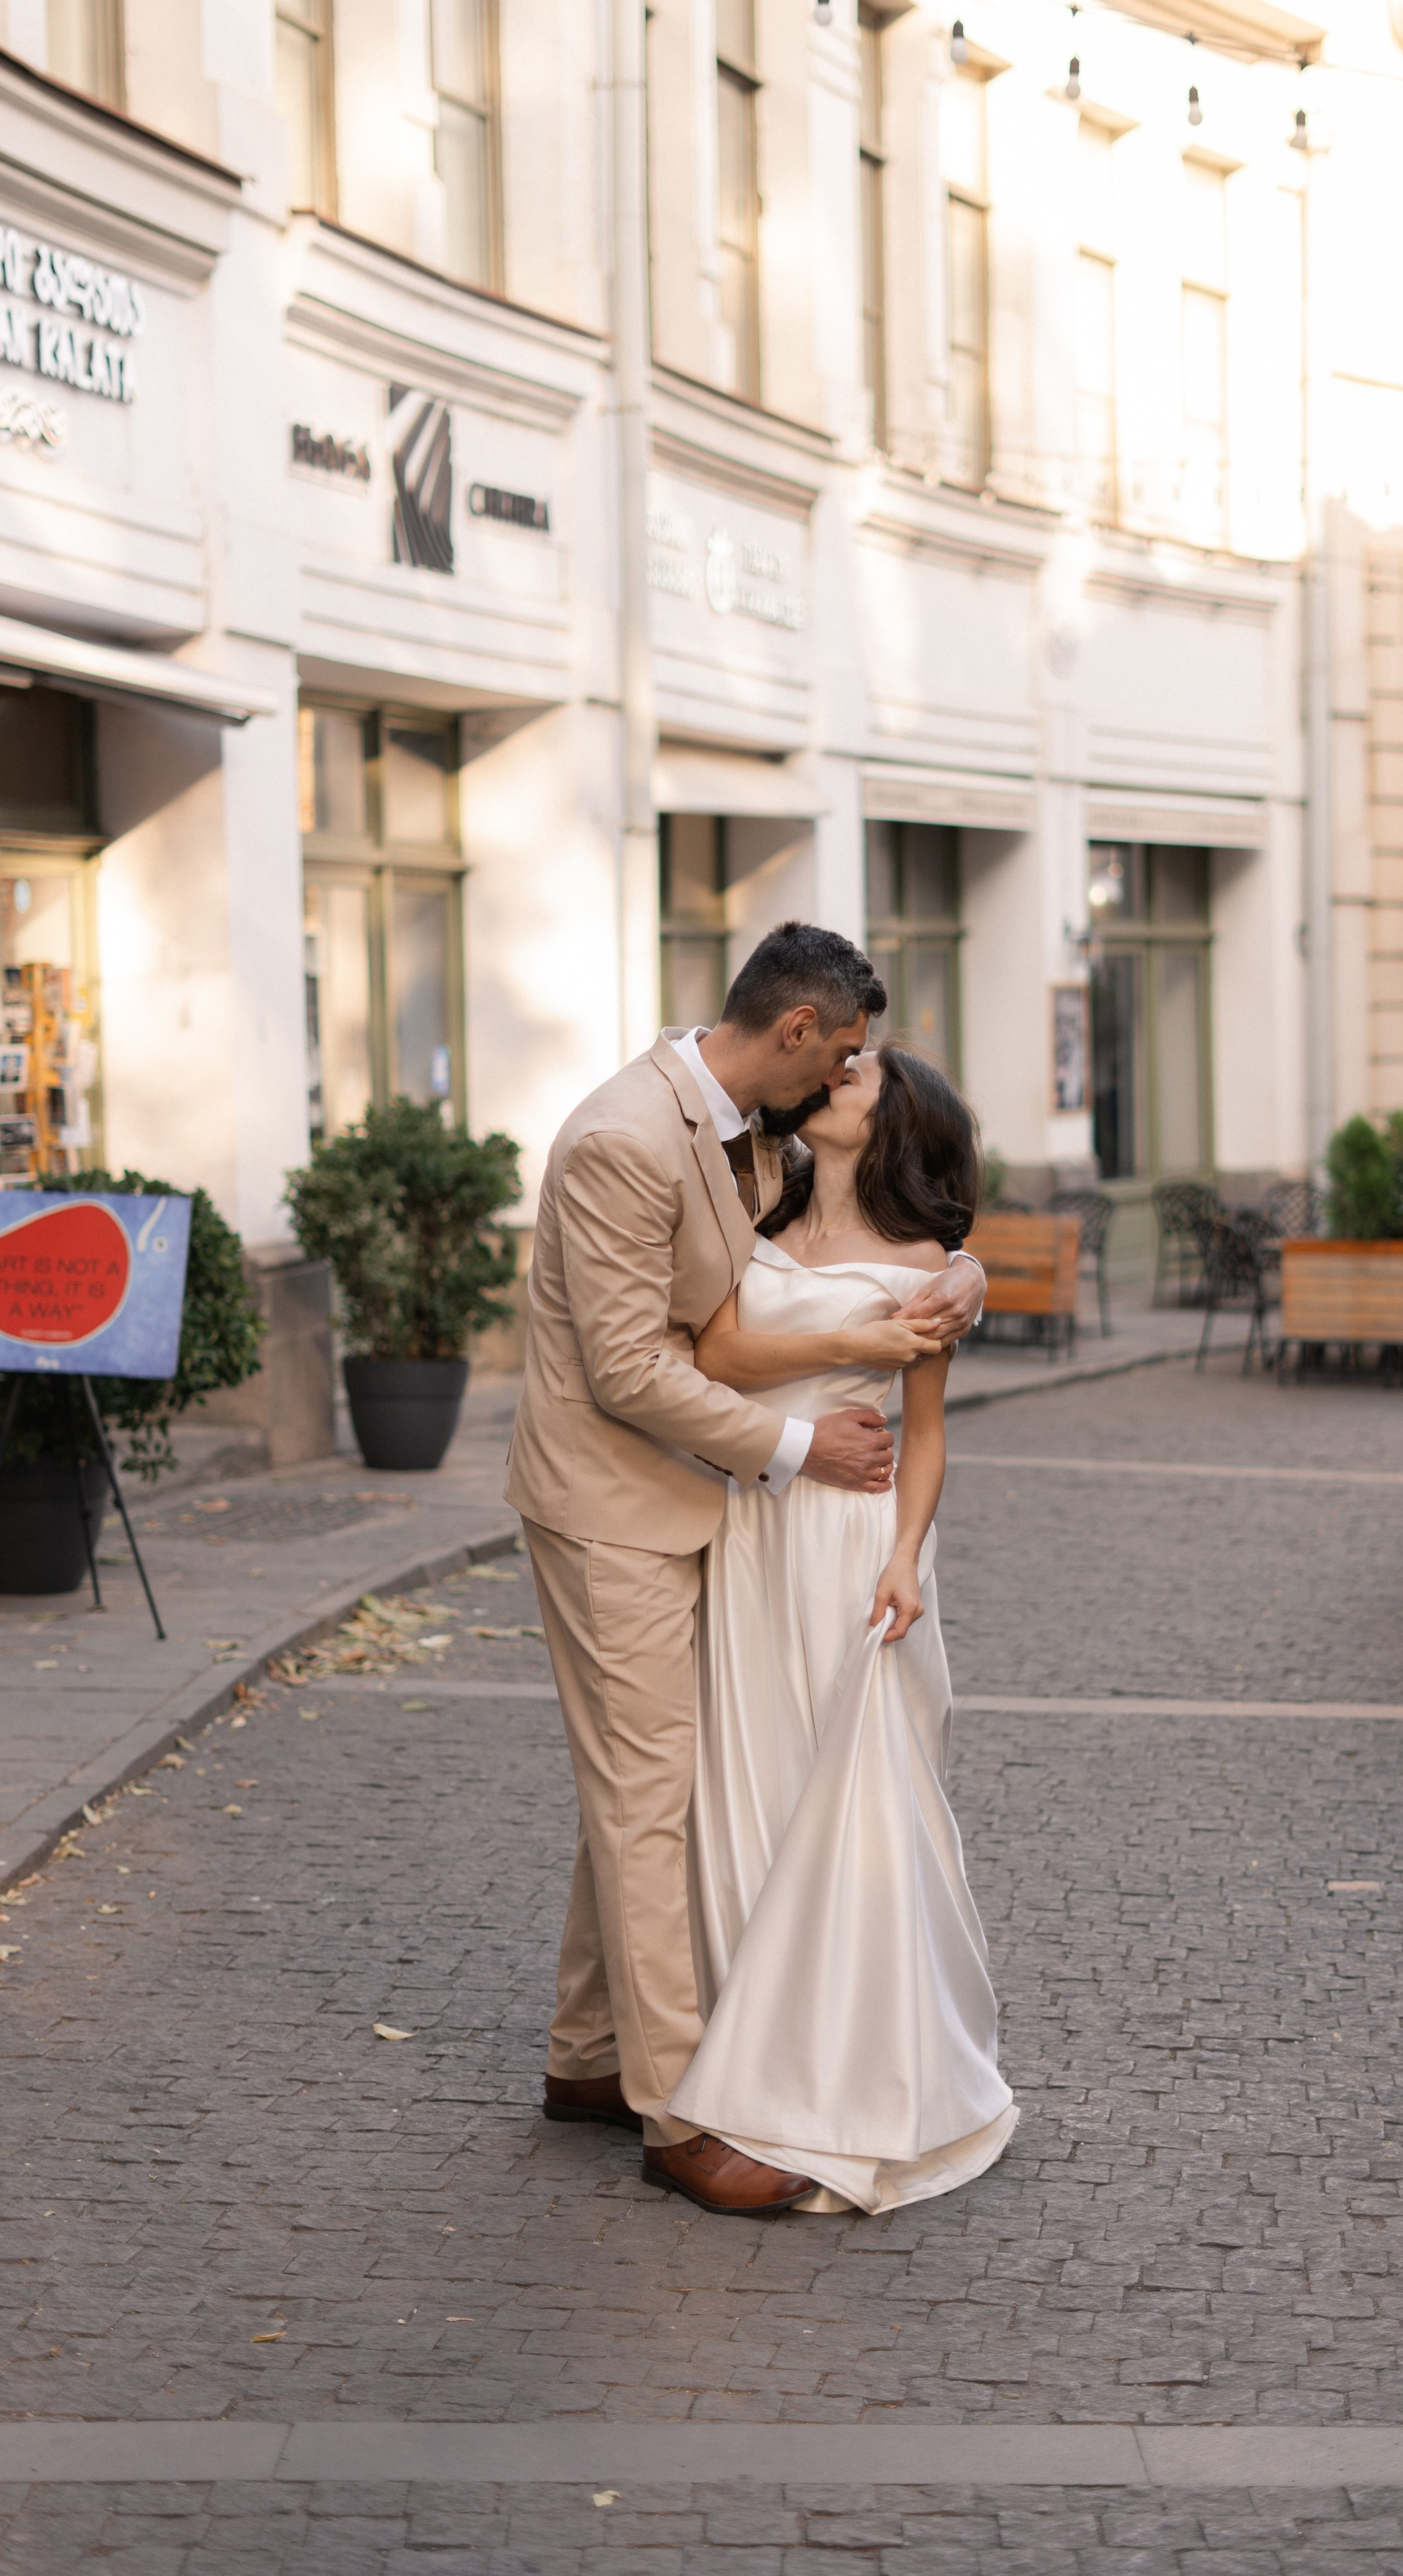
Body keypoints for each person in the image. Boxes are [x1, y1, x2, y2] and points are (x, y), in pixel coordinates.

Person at [505, 923, 986, 2218]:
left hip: (728, 1508)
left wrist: (962, 1270)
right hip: (620, 1508)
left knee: (640, 1771)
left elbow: (897, 1231)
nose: (844, 1074)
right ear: (794, 1033)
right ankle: (676, 2116)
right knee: (653, 1792)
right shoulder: (625, 1136)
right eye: (840, 1052)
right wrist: (797, 1447)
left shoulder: (744, 1127)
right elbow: (635, 1368)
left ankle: (591, 2056)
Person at [668, 1040, 1016, 2213]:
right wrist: (854, 1341)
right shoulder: (753, 1211)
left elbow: (924, 1434)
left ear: (893, 1124)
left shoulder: (927, 1264)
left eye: (858, 1078)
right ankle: (743, 2052)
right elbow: (715, 1356)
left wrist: (909, 1560)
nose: (835, 1080)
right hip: (755, 1531)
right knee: (750, 1787)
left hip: (854, 1548)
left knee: (856, 1801)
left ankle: (836, 2080)